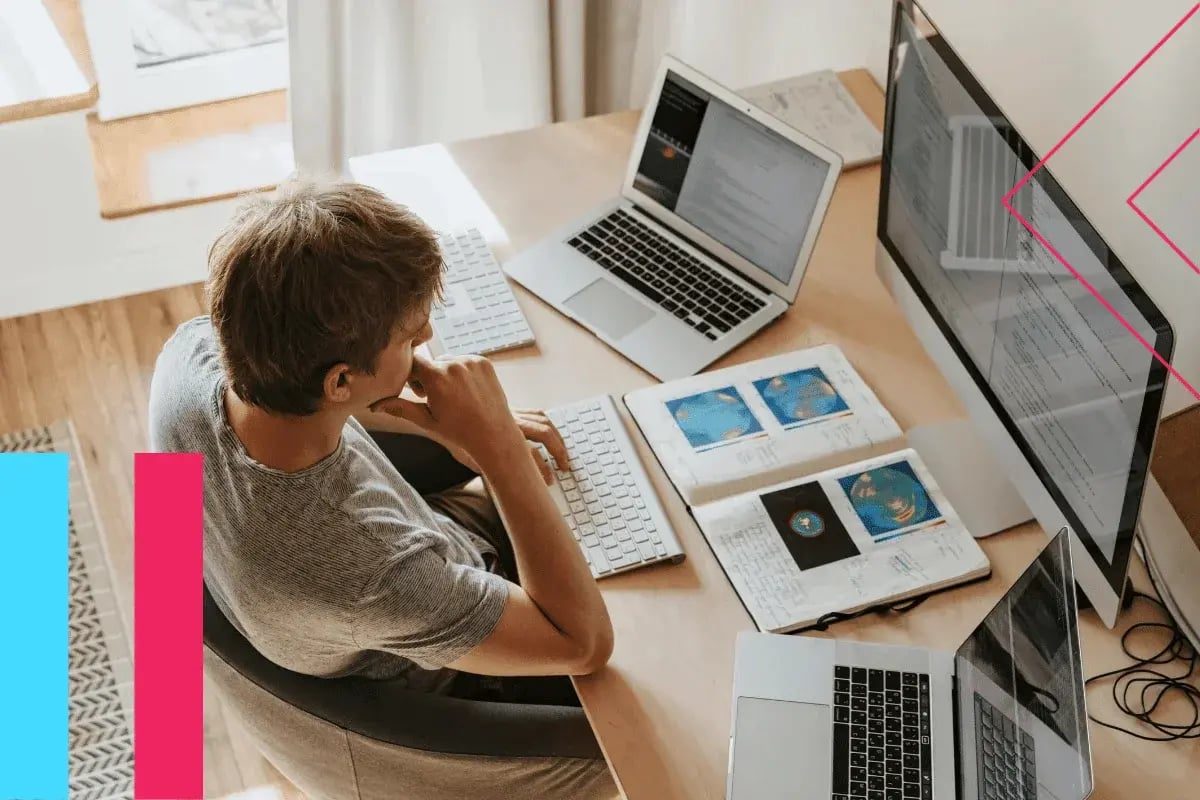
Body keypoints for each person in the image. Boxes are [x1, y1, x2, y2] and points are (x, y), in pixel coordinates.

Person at [148, 177, 616, 797]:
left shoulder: (194, 356)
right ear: (339, 381)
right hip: (467, 673)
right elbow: (583, 645)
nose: (427, 345)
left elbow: (301, 395)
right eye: (412, 338)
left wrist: (441, 422)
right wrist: (498, 449)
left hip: (347, 594)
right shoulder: (373, 569)